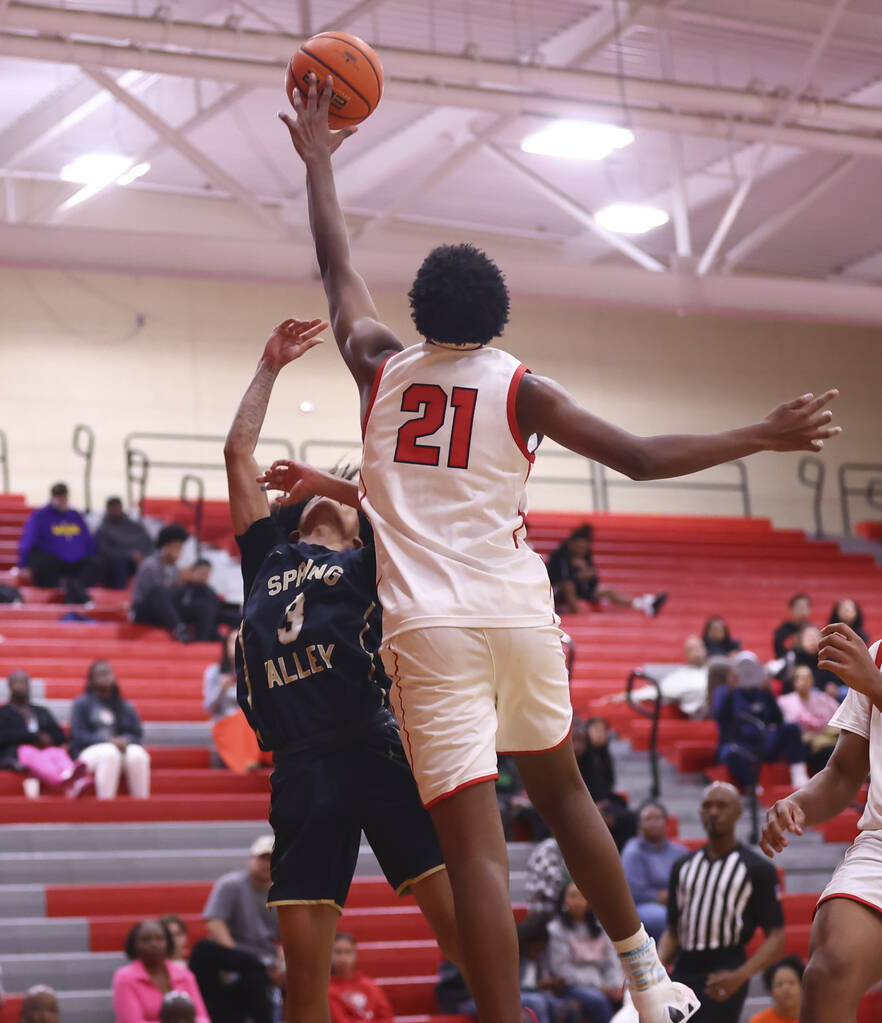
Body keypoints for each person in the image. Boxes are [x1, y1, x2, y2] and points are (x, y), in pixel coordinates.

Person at [279, 74, 838, 1023]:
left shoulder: (379, 365)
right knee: (567, 788)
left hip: (432, 632)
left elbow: (337, 267)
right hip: (519, 613)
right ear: (496, 317)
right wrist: (761, 434)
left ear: (419, 310)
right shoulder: (520, 385)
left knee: (478, 852)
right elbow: (640, 457)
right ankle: (650, 980)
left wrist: (322, 160)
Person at [220, 317, 459, 1023]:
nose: (328, 494)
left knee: (464, 934)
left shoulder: (368, 561)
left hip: (373, 742)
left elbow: (412, 517)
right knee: (303, 987)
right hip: (299, 764)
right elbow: (237, 452)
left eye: (344, 495)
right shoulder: (268, 555)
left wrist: (337, 482)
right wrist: (268, 366)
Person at [759, 624, 882, 1023]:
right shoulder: (876, 656)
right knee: (829, 970)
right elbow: (844, 773)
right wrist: (796, 804)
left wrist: (876, 687)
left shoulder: (872, 673)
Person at [660, 783, 785, 1023]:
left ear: (738, 812)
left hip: (726, 969)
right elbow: (673, 931)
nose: (714, 811)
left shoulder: (758, 869)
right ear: (700, 813)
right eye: (707, 806)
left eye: (721, 805)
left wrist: (740, 976)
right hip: (683, 968)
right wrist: (655, 969)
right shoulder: (682, 866)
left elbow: (777, 937)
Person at [189, 836, 282, 1023]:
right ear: (251, 859)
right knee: (203, 951)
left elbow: (287, 936)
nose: (266, 863)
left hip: (264, 958)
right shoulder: (231, 884)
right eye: (262, 858)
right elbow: (214, 921)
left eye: (271, 858)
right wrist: (238, 957)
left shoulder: (282, 893)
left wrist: (281, 962)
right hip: (232, 955)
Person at [713, 651, 810, 789]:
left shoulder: (763, 692)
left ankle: (799, 774)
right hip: (738, 745)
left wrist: (768, 691)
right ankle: (752, 785)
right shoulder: (724, 692)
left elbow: (778, 719)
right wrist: (731, 689)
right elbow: (720, 717)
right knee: (730, 752)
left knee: (792, 728)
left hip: (764, 743)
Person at [68, 660, 150, 799]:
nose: (104, 676)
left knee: (139, 755)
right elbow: (78, 735)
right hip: (90, 751)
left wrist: (125, 740)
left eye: (107, 673)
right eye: (99, 674)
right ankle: (106, 806)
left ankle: (141, 805)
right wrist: (107, 741)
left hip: (121, 749)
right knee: (109, 753)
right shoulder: (82, 703)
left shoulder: (124, 705)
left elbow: (137, 734)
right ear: (91, 680)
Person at [546, 524, 667, 618]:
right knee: (569, 586)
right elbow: (558, 578)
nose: (582, 551)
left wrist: (588, 574)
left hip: (581, 590)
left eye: (584, 548)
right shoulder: (559, 555)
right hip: (555, 592)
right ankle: (578, 617)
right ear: (572, 543)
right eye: (579, 547)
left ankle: (646, 604)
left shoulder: (584, 557)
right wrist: (577, 575)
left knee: (608, 591)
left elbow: (593, 581)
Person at [0, 670, 87, 796]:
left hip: (44, 751)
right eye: (16, 682)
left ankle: (73, 777)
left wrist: (49, 739)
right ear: (9, 686)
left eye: (24, 682)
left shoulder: (41, 711)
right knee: (29, 752)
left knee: (57, 752)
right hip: (17, 754)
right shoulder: (3, 713)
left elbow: (60, 735)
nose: (20, 686)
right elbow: (3, 737)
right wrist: (34, 737)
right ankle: (61, 781)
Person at [548, 882, 625, 1023]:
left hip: (603, 983)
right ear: (563, 900)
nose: (578, 901)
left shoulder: (600, 928)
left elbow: (611, 963)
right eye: (572, 896)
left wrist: (615, 985)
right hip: (572, 985)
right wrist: (599, 986)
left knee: (630, 996)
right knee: (597, 1000)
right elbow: (561, 969)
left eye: (583, 896)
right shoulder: (557, 930)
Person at [113, 919, 209, 1023]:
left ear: (168, 943)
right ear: (134, 945)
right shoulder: (125, 978)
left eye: (159, 939)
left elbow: (202, 1017)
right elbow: (131, 1021)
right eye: (146, 940)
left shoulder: (184, 974)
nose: (154, 944)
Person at [17, 482, 97, 604]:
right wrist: (24, 564)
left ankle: (74, 586)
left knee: (95, 564)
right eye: (58, 496)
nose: (61, 499)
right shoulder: (41, 515)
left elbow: (88, 540)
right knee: (44, 562)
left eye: (63, 495)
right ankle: (72, 588)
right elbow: (28, 539)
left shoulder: (75, 515)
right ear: (53, 497)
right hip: (53, 566)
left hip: (76, 565)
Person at [131, 524, 214, 642]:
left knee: (203, 604)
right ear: (165, 547)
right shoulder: (150, 565)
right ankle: (179, 629)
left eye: (181, 548)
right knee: (159, 593)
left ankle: (204, 639)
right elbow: (158, 597)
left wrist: (188, 581)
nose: (179, 552)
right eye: (176, 547)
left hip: (167, 611)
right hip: (144, 611)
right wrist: (181, 581)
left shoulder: (175, 568)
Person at [621, 802, 688, 943]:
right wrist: (671, 895)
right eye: (648, 819)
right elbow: (636, 894)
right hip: (642, 907)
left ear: (666, 822)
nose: (653, 823)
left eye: (657, 818)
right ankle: (665, 960)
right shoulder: (633, 852)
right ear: (639, 824)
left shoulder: (679, 851)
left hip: (678, 902)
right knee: (663, 917)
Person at [203, 631, 267, 772]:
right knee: (244, 717)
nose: (237, 645)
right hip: (226, 723)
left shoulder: (255, 670)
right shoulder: (214, 672)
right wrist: (221, 690)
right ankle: (247, 759)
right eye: (232, 641)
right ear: (226, 646)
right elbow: (209, 707)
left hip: (252, 723)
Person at [573, 718, 637, 851]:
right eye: (574, 741)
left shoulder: (594, 761)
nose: (577, 746)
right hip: (575, 808)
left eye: (581, 741)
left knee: (628, 818)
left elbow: (603, 789)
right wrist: (594, 810)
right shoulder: (563, 764)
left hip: (599, 803)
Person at [614, 637, 709, 719]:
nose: (697, 652)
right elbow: (661, 690)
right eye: (692, 649)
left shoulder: (715, 671)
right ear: (686, 654)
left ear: (705, 650)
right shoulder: (681, 675)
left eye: (699, 647)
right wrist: (630, 695)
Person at [777, 665, 840, 774]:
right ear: (794, 682)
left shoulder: (824, 699)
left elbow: (841, 719)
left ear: (812, 681)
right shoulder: (784, 702)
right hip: (802, 746)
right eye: (801, 678)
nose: (805, 682)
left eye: (808, 678)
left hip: (825, 740)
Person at [327, 932, 394, 1023]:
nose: (343, 958)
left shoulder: (369, 985)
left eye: (348, 952)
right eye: (338, 952)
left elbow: (387, 1018)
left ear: (355, 954)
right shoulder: (327, 990)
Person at [95, 496, 153, 589]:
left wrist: (143, 555)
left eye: (117, 507)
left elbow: (148, 543)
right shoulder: (103, 529)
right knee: (119, 564)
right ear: (107, 509)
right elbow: (105, 551)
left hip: (140, 559)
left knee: (153, 563)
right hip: (117, 563)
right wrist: (130, 555)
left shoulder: (135, 526)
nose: (115, 510)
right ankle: (120, 593)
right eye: (112, 507)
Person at [748, 956, 803, 1023]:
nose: (786, 989)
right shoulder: (759, 1021)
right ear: (771, 990)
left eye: (791, 983)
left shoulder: (815, 1018)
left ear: (801, 987)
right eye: (779, 984)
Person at [772, 594, 813, 661]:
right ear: (791, 609)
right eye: (799, 608)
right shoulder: (782, 631)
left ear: (810, 610)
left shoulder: (813, 630)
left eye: (805, 608)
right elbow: (779, 653)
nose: (802, 612)